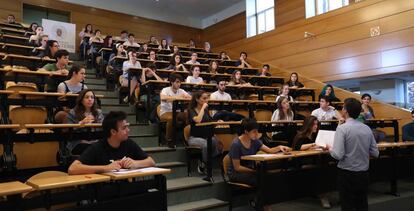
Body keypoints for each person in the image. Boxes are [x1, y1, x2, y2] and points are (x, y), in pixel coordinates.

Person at [228, 118, 290, 211]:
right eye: (254, 132)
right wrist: (254, 171)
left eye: (257, 131)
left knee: (269, 177)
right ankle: (264, 206)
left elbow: (269, 150)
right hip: (236, 173)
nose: (257, 134)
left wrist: (280, 147)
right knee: (262, 179)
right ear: (246, 131)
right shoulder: (236, 144)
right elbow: (237, 167)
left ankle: (259, 203)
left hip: (250, 171)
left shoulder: (254, 140)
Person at [328, 98, 379, 211]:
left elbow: (338, 155)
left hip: (347, 174)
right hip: (363, 173)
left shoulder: (342, 129)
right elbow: (375, 153)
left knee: (347, 205)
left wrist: (330, 149)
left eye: (343, 107)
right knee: (362, 204)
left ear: (345, 111)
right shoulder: (366, 128)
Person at [68, 111, 155, 174]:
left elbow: (151, 161)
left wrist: (135, 163)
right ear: (113, 132)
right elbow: (73, 168)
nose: (128, 130)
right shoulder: (97, 147)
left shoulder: (129, 143)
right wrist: (106, 168)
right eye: (124, 128)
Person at [188, 91, 221, 174]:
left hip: (207, 136)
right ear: (197, 100)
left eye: (207, 98)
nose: (206, 100)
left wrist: (217, 122)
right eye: (204, 98)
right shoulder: (191, 110)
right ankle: (207, 165)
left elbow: (210, 122)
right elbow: (198, 120)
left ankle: (203, 162)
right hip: (194, 138)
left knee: (216, 141)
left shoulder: (206, 110)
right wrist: (203, 108)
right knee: (207, 144)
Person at [66, 89, 104, 155]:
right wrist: (80, 124)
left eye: (92, 97)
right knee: (93, 149)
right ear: (81, 100)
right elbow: (69, 130)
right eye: (87, 97)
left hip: (95, 142)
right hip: (78, 143)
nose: (90, 99)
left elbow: (103, 128)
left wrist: (94, 123)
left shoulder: (98, 112)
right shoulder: (73, 112)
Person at [159, 74, 191, 141]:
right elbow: (163, 97)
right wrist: (178, 97)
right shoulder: (165, 90)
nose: (179, 84)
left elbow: (190, 98)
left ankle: (186, 136)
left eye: (180, 82)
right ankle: (169, 139)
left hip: (177, 112)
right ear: (172, 82)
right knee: (172, 118)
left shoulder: (181, 90)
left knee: (188, 116)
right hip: (165, 112)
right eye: (177, 82)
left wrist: (186, 97)